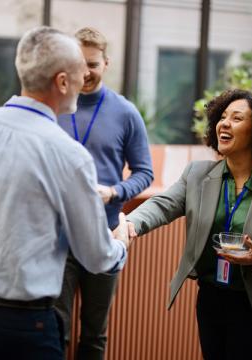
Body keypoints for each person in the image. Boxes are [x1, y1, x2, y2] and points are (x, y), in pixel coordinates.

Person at [0, 26, 130, 360]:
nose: (83, 81)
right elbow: (96, 257)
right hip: (24, 330)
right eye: (78, 74)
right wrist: (120, 242)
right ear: (62, 82)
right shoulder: (69, 155)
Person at [124, 89, 252, 360]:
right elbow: (163, 204)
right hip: (212, 299)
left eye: (237, 118)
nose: (224, 123)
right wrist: (131, 224)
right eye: (222, 117)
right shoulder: (197, 174)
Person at [55, 27, 153, 360]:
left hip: (106, 233)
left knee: (95, 335)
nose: (86, 71)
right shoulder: (53, 105)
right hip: (58, 237)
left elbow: (145, 173)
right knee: (56, 327)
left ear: (106, 63)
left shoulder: (125, 112)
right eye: (79, 62)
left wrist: (114, 192)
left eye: (93, 64)